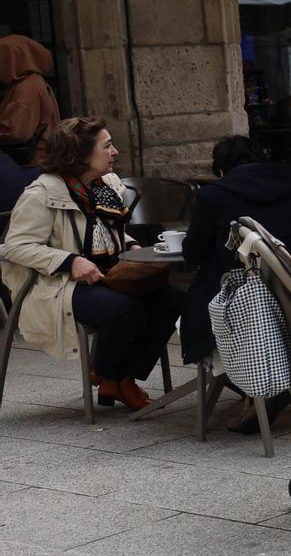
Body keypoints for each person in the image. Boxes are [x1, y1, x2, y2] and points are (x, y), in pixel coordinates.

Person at [2, 117, 182, 410]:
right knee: (125, 310)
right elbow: (17, 247)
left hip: (109, 273)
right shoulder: (42, 194)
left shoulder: (105, 184)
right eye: (107, 146)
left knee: (173, 298)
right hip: (60, 283)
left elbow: (106, 228)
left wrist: (132, 245)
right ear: (80, 154)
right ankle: (110, 376)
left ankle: (121, 377)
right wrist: (70, 261)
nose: (115, 152)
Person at [180, 135, 291, 374]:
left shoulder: (213, 196)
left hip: (248, 302)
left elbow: (193, 253)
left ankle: (245, 381)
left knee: (196, 302)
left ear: (222, 170)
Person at [0, 34, 60, 165]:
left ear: (12, 60)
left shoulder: (25, 88)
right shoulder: (34, 81)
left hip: (31, 163)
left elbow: (18, 133)